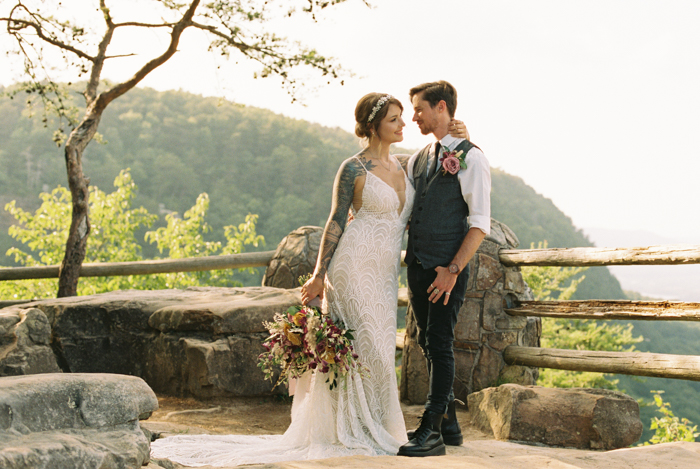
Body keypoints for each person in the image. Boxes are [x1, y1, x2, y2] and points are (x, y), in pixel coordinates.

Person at [149, 93, 468, 466]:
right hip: (351, 266)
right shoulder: (353, 168)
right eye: (394, 119)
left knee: (379, 349)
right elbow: (335, 221)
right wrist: (319, 275)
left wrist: (461, 132)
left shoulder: (405, 165)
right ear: (373, 125)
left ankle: (374, 427)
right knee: (363, 351)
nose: (402, 125)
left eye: (402, 118)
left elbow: (441, 162)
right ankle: (346, 429)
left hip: (383, 275)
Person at [398, 81, 491, 458]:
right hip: (418, 266)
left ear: (441, 107)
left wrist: (452, 269)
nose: (414, 117)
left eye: (419, 110)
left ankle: (432, 429)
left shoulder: (473, 158)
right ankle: (450, 423)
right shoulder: (419, 157)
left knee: (440, 341)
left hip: (447, 271)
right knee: (425, 341)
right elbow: (406, 210)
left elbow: (480, 223)